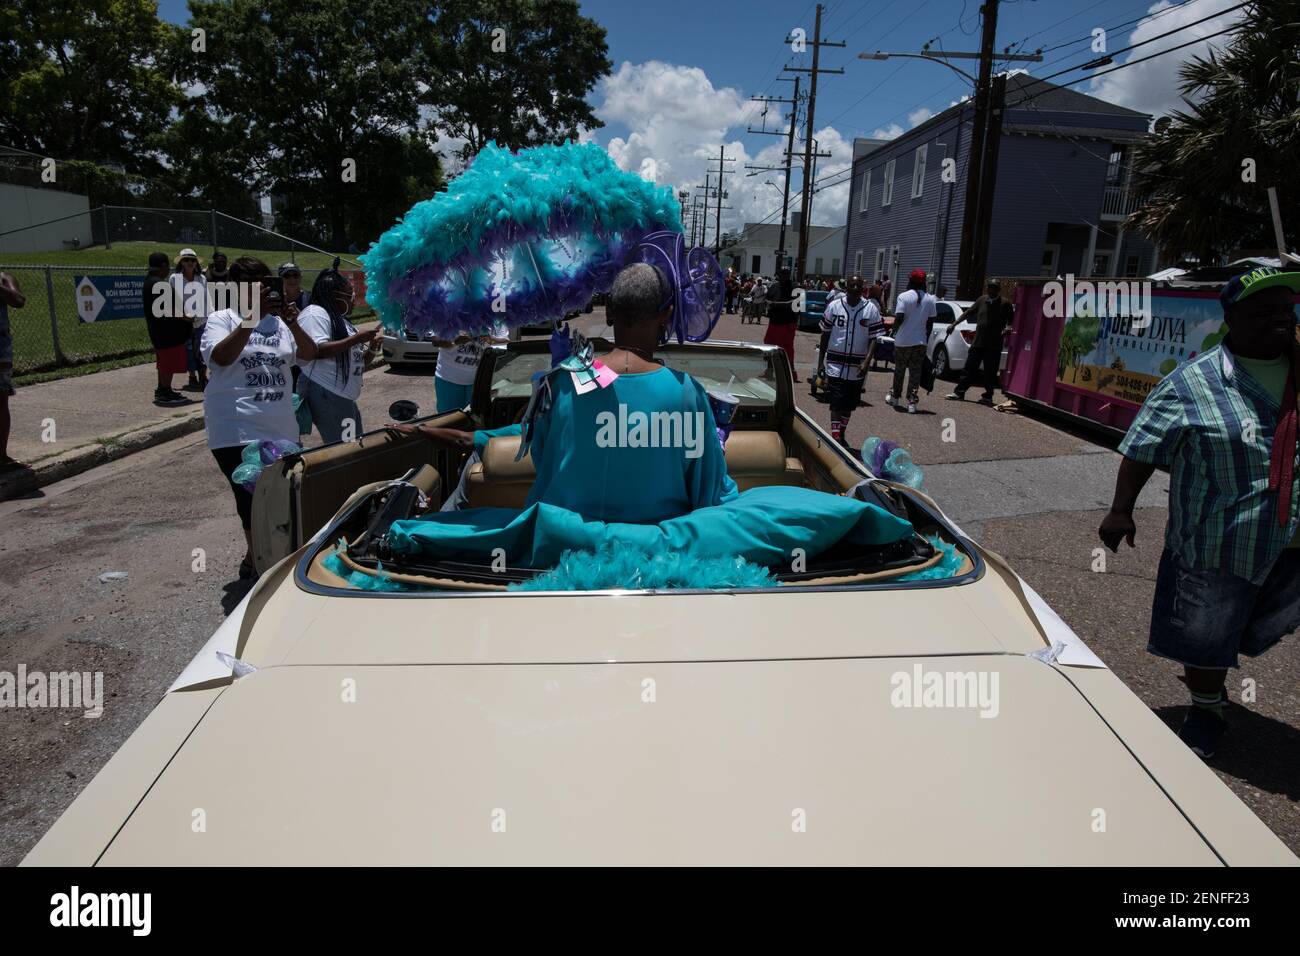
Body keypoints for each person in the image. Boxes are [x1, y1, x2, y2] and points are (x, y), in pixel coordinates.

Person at [1098, 267, 1300, 759]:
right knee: (1204, 634)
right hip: (1219, 539)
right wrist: (1121, 511)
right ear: (1231, 317)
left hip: (1292, 541)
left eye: (1286, 308)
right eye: (1264, 309)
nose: (1280, 318)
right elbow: (1144, 449)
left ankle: (1221, 659)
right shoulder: (1191, 383)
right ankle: (1207, 707)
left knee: (1257, 625)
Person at [392, 262, 738, 523]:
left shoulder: (562, 383)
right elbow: (709, 495)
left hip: (561, 557)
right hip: (655, 564)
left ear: (611, 311)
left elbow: (543, 456)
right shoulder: (688, 394)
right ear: (667, 315)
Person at [202, 256, 336, 579]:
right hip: (236, 429)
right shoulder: (222, 318)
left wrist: (291, 321)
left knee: (282, 499)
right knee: (250, 499)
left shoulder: (278, 324)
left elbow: (308, 353)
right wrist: (249, 320)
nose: (261, 287)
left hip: (280, 429)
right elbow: (219, 357)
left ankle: (258, 556)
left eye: (264, 280)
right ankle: (263, 566)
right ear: (236, 288)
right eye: (252, 281)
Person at [294, 265, 382, 443]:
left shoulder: (341, 321)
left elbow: (357, 365)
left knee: (352, 445)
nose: (352, 299)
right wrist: (356, 339)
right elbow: (316, 351)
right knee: (345, 449)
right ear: (335, 294)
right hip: (327, 392)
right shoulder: (315, 313)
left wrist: (372, 348)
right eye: (349, 293)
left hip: (343, 396)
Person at [820, 275, 882, 448]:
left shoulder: (870, 309)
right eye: (852, 285)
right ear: (846, 287)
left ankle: (841, 433)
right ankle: (836, 439)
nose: (855, 289)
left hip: (857, 365)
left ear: (863, 288)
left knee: (849, 404)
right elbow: (824, 334)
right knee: (836, 402)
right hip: (835, 363)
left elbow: (874, 338)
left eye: (858, 286)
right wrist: (820, 364)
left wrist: (867, 362)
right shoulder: (834, 306)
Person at [947, 279, 1012, 404]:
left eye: (994, 288)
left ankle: (987, 396)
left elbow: (1011, 321)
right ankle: (959, 392)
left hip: (994, 345)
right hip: (978, 342)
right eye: (990, 287)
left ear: (999, 290)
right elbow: (968, 313)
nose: (992, 290)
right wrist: (954, 324)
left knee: (990, 372)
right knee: (969, 368)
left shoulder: (1005, 304)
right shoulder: (982, 300)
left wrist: (1008, 328)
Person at [143, 252, 192, 407]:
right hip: (167, 332)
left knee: (163, 362)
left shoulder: (149, 282)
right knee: (168, 363)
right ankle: (165, 393)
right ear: (163, 266)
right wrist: (187, 317)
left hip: (158, 330)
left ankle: (163, 389)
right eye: (167, 267)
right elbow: (169, 309)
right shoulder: (160, 284)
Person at [432, 321, 510, 413]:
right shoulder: (450, 311)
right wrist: (455, 340)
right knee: (448, 419)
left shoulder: (495, 315)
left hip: (479, 381)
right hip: (449, 378)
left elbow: (505, 341)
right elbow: (435, 340)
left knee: (475, 420)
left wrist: (491, 339)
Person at [888, 268, 937, 413]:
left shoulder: (904, 296)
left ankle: (895, 397)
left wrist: (893, 332)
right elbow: (930, 322)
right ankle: (912, 401)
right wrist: (925, 338)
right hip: (920, 342)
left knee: (899, 371)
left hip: (903, 341)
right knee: (915, 373)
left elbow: (899, 317)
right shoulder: (930, 299)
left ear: (910, 281)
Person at [0, 270, 27, 469]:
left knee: (0, 400)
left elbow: (18, 300)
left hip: (0, 347)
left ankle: (1, 455)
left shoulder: (4, 277)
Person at [173, 248, 209, 392]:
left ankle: (203, 375)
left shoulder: (202, 278)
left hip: (201, 319)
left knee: (202, 348)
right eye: (186, 260)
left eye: (193, 260)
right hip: (184, 320)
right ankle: (192, 376)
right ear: (181, 262)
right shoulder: (174, 278)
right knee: (188, 349)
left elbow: (206, 299)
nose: (190, 262)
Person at [765, 267, 798, 378]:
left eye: (787, 273)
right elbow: (767, 300)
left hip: (788, 323)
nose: (784, 275)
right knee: (768, 345)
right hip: (774, 322)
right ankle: (769, 370)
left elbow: (798, 305)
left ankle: (791, 372)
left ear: (790, 274)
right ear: (779, 274)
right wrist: (769, 303)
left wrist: (778, 304)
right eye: (782, 273)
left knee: (787, 348)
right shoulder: (774, 286)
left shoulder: (796, 287)